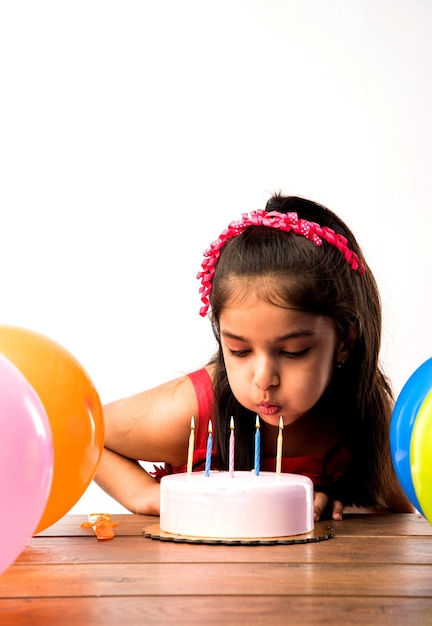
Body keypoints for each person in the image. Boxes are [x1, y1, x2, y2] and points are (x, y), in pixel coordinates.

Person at [95, 194, 413, 520]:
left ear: (345, 341)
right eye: (240, 351)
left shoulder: (366, 414)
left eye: (292, 352)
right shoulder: (192, 412)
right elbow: (86, 430)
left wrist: (352, 504)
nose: (263, 379)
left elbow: (401, 512)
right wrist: (144, 496)